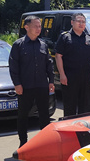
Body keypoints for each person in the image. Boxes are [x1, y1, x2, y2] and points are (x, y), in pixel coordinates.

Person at [9, 15, 55, 148]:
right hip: (25, 86)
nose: (38, 29)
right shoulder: (18, 45)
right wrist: (17, 84)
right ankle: (23, 143)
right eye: (35, 26)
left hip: (41, 85)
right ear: (26, 27)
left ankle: (45, 143)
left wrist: (51, 81)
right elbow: (13, 66)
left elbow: (49, 64)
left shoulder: (43, 45)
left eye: (39, 26)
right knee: (23, 115)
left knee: (44, 115)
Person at [55, 12, 90, 116]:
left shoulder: (88, 38)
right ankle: (69, 125)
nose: (81, 24)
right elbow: (58, 56)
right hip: (70, 77)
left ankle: (82, 125)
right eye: (78, 21)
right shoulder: (65, 37)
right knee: (69, 105)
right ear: (72, 22)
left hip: (86, 77)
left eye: (83, 22)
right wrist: (62, 74)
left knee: (85, 105)